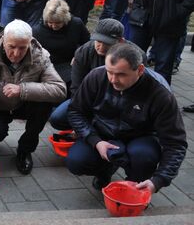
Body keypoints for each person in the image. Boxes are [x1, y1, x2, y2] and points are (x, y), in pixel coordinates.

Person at [66, 43, 187, 192]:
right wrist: (95, 141)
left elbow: (176, 143)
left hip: (141, 137)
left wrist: (158, 180)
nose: (113, 80)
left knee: (143, 156)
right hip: (103, 132)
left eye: (121, 74)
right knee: (76, 161)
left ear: (140, 70)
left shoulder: (160, 94)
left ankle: (136, 183)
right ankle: (104, 170)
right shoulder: (96, 76)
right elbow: (75, 111)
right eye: (109, 72)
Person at [0, 20, 66, 175]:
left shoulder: (41, 56)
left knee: (44, 104)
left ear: (30, 43)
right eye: (11, 46)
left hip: (26, 103)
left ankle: (25, 150)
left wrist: (22, 89)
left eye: (22, 48)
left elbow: (59, 89)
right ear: (3, 40)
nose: (16, 54)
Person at [47, 18, 168, 130]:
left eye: (107, 43)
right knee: (57, 118)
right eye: (98, 41)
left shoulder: (136, 55)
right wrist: (81, 122)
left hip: (122, 101)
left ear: (120, 41)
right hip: (89, 97)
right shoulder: (84, 51)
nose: (101, 46)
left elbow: (140, 89)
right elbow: (77, 87)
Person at [33, 0, 90, 88]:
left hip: (70, 64)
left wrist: (79, 55)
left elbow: (87, 43)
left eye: (58, 23)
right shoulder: (37, 31)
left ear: (65, 19)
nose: (54, 26)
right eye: (50, 22)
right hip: (47, 67)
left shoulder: (76, 24)